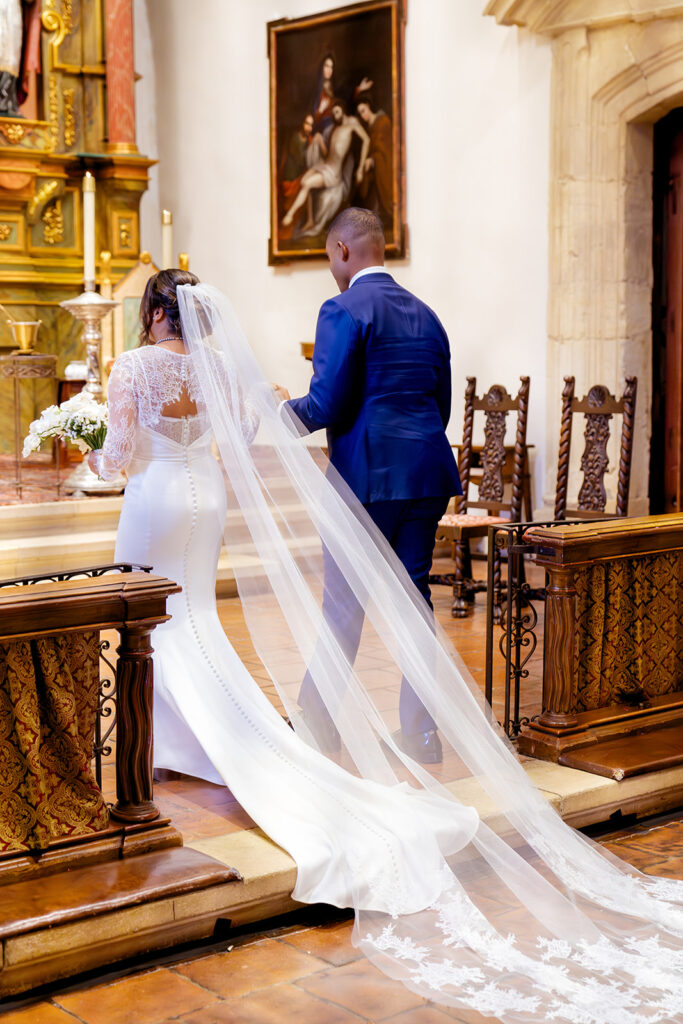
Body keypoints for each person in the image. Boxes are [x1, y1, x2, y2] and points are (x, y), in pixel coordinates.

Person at [92, 268, 683, 1022]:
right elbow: (431, 398)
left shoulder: (164, 357)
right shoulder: (418, 314)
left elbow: (140, 448)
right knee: (375, 606)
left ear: (151, 312)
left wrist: (90, 444)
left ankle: (230, 734)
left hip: (230, 489)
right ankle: (416, 724)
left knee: (184, 621)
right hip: (376, 476)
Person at [286, 208, 460, 764]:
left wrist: (271, 416)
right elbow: (443, 405)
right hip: (428, 473)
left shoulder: (341, 309)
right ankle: (422, 734)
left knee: (343, 606)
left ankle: (315, 727)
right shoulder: (429, 316)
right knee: (415, 600)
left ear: (341, 249)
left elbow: (324, 405)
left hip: (365, 480)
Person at [281, 100, 369, 233]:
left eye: (337, 111)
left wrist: (361, 167)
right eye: (334, 113)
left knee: (307, 184)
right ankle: (310, 219)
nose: (336, 115)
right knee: (304, 181)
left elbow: (367, 140)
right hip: (324, 165)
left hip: (332, 173)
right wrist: (320, 140)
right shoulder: (335, 129)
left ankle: (290, 215)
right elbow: (328, 154)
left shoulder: (352, 124)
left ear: (343, 111)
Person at [355, 94, 393, 224]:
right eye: (360, 113)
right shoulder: (369, 127)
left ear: (368, 106)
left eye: (363, 111)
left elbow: (386, 147)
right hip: (374, 168)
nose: (362, 115)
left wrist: (373, 159)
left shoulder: (382, 121)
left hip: (384, 165)